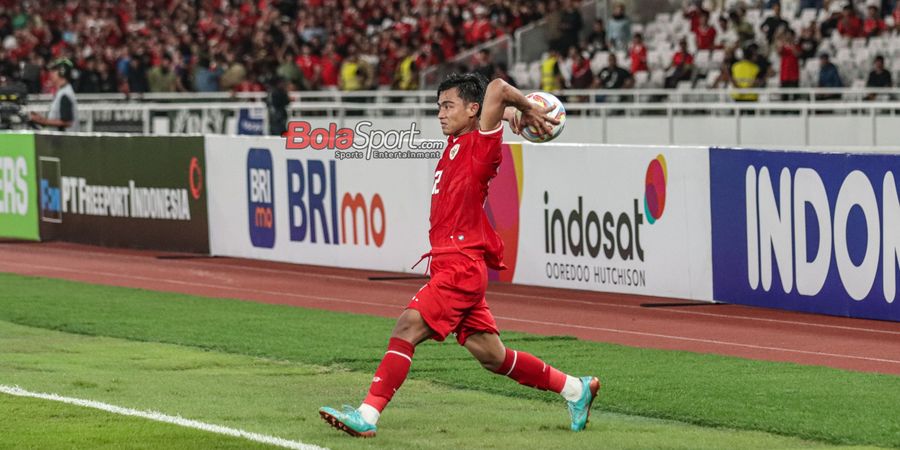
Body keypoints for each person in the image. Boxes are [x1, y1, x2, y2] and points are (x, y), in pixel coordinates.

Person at [318, 72, 600, 438]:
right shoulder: (458, 141)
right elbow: (495, 105)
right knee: (491, 355)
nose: (440, 113)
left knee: (407, 326)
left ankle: (367, 415)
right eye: (438, 106)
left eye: (448, 105)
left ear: (472, 109)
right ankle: (575, 389)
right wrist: (510, 114)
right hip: (451, 264)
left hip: (460, 265)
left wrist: (526, 108)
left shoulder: (480, 147)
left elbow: (497, 88)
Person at [29, 58, 79, 132]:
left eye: (53, 71)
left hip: (66, 141)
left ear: (62, 72)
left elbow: (67, 122)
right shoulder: (62, 91)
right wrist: (41, 120)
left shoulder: (65, 94)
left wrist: (43, 121)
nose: (50, 74)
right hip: (61, 140)